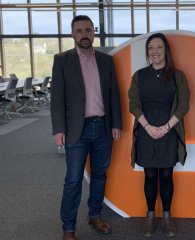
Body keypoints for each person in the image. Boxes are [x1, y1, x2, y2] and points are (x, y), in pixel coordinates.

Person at [50, 15, 122, 240]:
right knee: (73, 180)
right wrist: (58, 129)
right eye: (79, 30)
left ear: (94, 32)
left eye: (88, 30)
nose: (84, 35)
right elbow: (57, 98)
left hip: (102, 127)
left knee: (100, 175)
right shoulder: (62, 60)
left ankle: (95, 215)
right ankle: (68, 227)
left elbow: (114, 95)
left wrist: (116, 124)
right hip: (75, 130)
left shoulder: (106, 61)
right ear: (73, 34)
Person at [128, 33, 190, 237]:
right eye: (151, 48)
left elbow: (183, 105)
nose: (155, 51)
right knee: (150, 175)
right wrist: (147, 127)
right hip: (146, 132)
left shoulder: (178, 76)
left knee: (166, 175)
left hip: (169, 131)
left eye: (159, 47)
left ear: (166, 51)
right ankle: (150, 216)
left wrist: (165, 128)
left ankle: (166, 216)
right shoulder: (139, 75)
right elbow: (134, 104)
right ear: (147, 51)